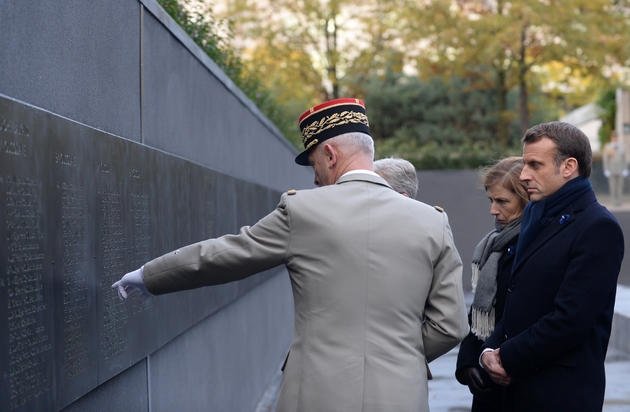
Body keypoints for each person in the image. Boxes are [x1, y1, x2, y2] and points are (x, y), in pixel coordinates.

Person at [112, 98, 469, 412]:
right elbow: (450, 326)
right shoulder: (432, 221)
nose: (314, 177)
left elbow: (226, 255)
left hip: (315, 394)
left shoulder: (304, 210)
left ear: (330, 154)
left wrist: (149, 275)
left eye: (313, 161)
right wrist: (398, 359)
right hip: (401, 397)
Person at [480, 121, 625, 411]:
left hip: (560, 395)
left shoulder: (598, 226)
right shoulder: (536, 213)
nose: (523, 175)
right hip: (517, 389)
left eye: (535, 165)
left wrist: (506, 357)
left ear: (568, 167)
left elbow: (571, 320)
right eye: (524, 164)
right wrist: (488, 351)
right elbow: (518, 297)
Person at [455, 157, 528, 412]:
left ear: (526, 199)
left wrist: (495, 358)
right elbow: (481, 310)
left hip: (515, 377)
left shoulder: (534, 246)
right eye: (491, 201)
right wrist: (467, 362)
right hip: (488, 381)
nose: (493, 211)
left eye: (502, 201)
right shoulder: (494, 244)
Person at [602, 131, 628, 206]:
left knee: (620, 186)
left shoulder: (622, 147)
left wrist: (625, 169)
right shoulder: (608, 147)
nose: (615, 139)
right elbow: (606, 159)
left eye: (616, 137)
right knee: (612, 186)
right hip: (611, 169)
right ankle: (614, 200)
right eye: (613, 137)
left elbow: (624, 159)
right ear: (611, 138)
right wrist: (606, 169)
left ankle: (619, 200)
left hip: (620, 169)